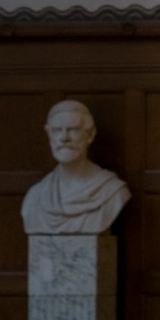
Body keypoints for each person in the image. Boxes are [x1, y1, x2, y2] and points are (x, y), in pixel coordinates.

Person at [19, 99, 130, 235]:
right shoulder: (35, 197)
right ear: (49, 134)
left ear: (90, 135)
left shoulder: (112, 191)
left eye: (73, 130)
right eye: (57, 131)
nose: (64, 138)